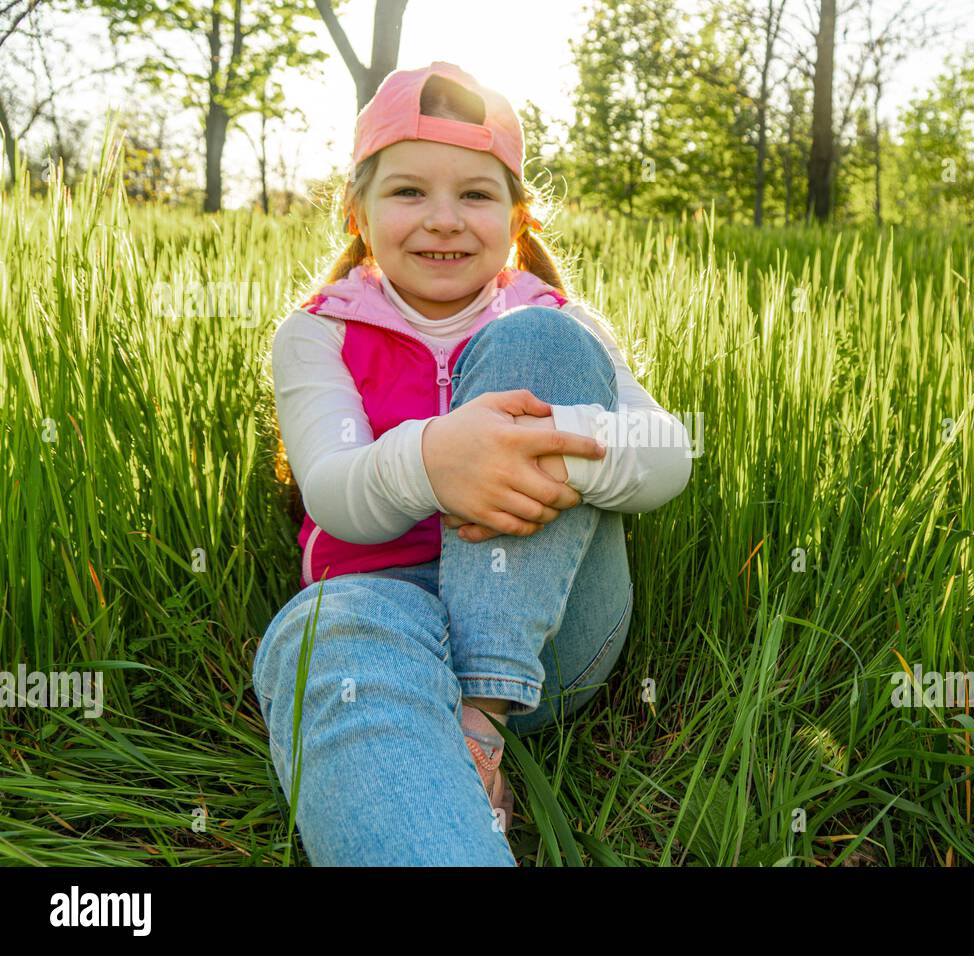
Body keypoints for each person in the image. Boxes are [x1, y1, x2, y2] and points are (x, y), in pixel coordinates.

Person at [252, 61, 693, 865]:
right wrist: (436, 460)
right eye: (409, 191)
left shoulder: (561, 321)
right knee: (327, 641)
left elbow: (668, 457)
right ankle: (432, 787)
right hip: (383, 614)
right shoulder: (317, 335)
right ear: (357, 211)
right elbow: (335, 493)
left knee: (540, 347)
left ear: (518, 217)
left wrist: (546, 454)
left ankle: (482, 713)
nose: (444, 220)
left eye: (478, 194)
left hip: (555, 636)